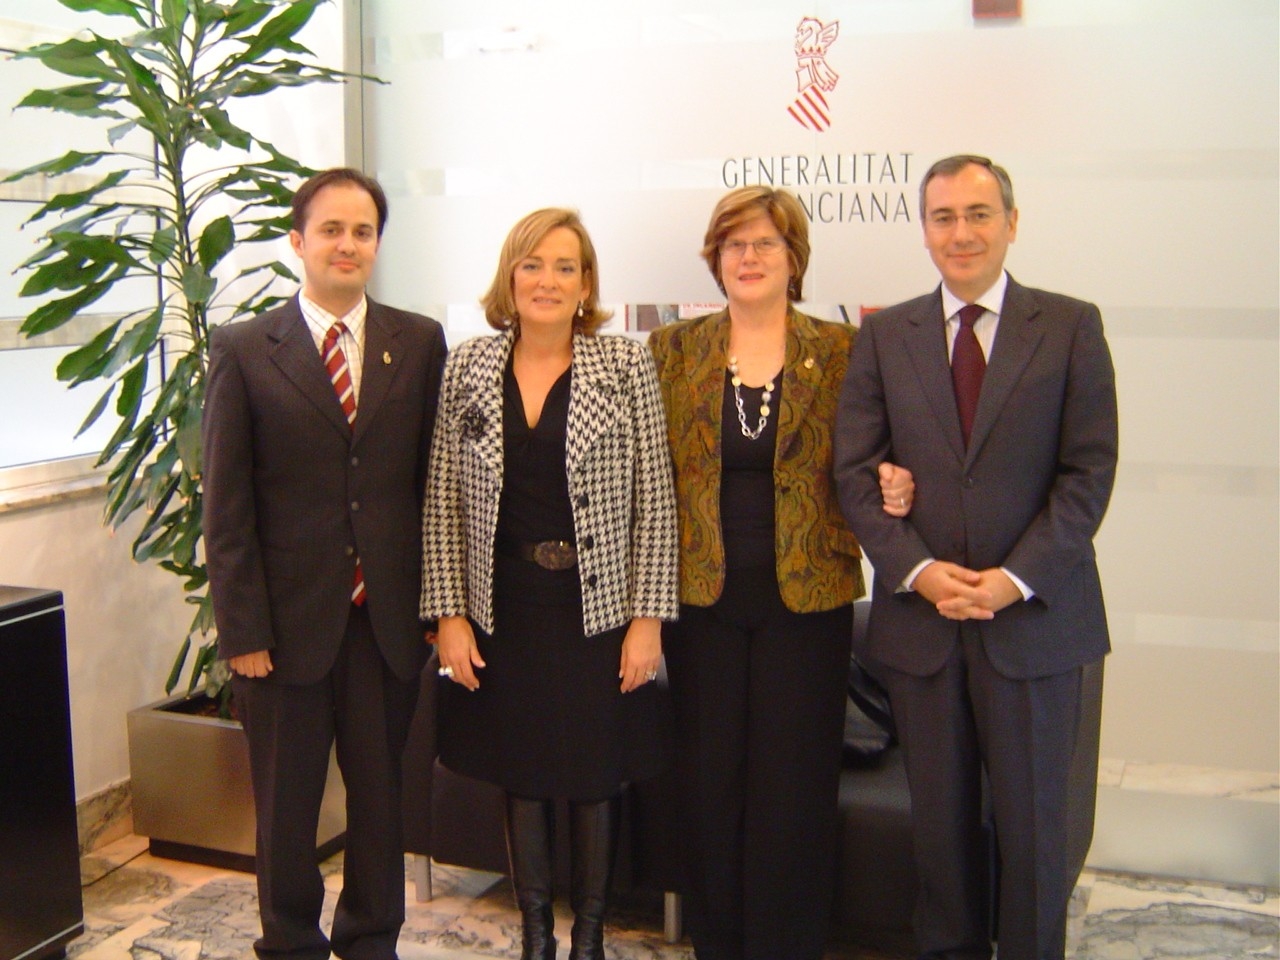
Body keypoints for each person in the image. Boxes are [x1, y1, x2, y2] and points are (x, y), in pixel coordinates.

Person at [834, 155, 1118, 960]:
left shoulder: (1069, 326)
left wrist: (1012, 580)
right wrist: (921, 572)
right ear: (925, 231)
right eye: (944, 217)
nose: (961, 232)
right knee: (940, 836)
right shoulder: (885, 335)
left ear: (1011, 223)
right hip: (923, 630)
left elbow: (1087, 474)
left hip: (1033, 625)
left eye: (978, 213)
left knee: (1034, 837)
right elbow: (856, 474)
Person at [647, 185, 915, 960]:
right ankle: (719, 946)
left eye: (766, 242)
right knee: (709, 787)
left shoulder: (845, 352)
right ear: (715, 258)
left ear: (794, 257)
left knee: (793, 790)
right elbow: (643, 477)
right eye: (734, 244)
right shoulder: (673, 352)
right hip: (701, 602)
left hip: (809, 601)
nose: (750, 256)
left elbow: (881, 455)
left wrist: (898, 480)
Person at [421, 208, 679, 960]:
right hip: (504, 605)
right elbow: (442, 499)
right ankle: (536, 935)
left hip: (598, 608)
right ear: (510, 276)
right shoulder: (468, 365)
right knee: (523, 770)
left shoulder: (625, 365)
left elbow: (656, 499)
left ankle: (588, 939)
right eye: (532, 264)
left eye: (565, 267)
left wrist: (648, 620)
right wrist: (448, 615)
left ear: (586, 283)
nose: (547, 280)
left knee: (598, 772)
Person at [203, 167, 447, 960]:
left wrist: (436, 608)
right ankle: (289, 942)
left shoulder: (418, 343)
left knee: (381, 802)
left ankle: (372, 938)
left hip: (386, 624)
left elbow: (432, 487)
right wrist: (243, 630)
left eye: (363, 231)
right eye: (332, 229)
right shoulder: (245, 349)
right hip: (282, 631)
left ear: (377, 244)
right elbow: (226, 507)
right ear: (297, 240)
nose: (348, 244)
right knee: (286, 809)